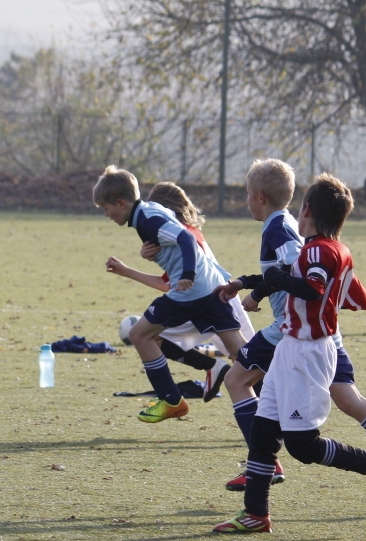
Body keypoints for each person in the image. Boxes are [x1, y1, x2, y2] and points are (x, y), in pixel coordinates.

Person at [220, 159, 366, 511]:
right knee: (349, 400)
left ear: (260, 197)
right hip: (322, 335)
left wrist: (264, 290)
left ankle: (263, 465)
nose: (245, 200)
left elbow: (301, 277)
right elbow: (350, 294)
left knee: (236, 381)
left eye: (246, 194)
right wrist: (247, 284)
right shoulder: (311, 237)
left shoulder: (283, 233)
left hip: (294, 334)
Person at [93, 166, 250, 426]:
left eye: (105, 208)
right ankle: (277, 394)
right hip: (212, 286)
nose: (106, 214)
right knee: (241, 352)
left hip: (190, 292)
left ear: (120, 203)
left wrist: (186, 274)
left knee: (139, 334)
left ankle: (171, 401)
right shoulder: (150, 212)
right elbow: (176, 240)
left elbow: (185, 239)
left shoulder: (147, 220)